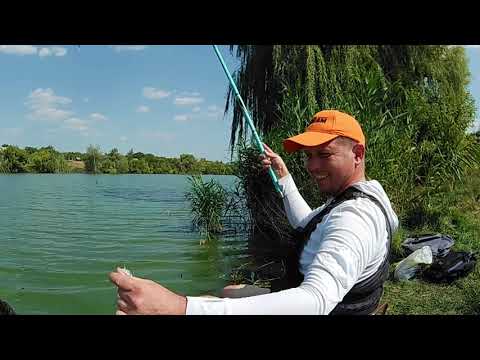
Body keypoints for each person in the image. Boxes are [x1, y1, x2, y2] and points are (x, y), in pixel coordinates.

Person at [109, 109, 399, 315]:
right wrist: (284, 177)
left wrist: (178, 307)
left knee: (193, 306)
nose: (312, 167)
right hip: (349, 305)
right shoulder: (366, 196)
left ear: (358, 154)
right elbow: (308, 223)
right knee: (230, 291)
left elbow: (314, 302)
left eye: (325, 155)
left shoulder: (354, 219)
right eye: (309, 156)